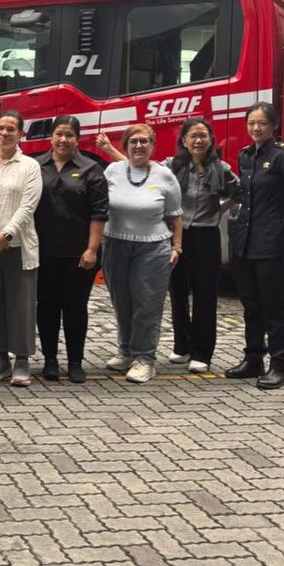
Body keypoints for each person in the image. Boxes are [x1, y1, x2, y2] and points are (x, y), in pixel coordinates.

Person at [224, 102, 284, 390]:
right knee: (250, 303)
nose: (256, 129)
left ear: (273, 126)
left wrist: (278, 225)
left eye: (261, 123)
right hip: (244, 240)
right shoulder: (244, 155)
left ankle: (279, 365)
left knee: (273, 305)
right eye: (251, 124)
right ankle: (253, 359)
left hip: (271, 242)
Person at [99, 123, 182, 384]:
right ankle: (126, 351)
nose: (139, 146)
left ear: (153, 146)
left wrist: (177, 247)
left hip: (153, 247)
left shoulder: (164, 175)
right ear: (125, 146)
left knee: (147, 303)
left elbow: (176, 216)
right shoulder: (112, 170)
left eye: (144, 141)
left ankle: (145, 358)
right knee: (121, 300)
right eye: (133, 141)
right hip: (115, 244)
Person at [33, 116, 107, 384]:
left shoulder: (91, 169)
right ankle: (50, 360)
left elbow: (99, 213)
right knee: (47, 307)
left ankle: (75, 361)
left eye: (69, 135)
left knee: (76, 307)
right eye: (59, 134)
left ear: (77, 138)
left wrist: (92, 249)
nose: (64, 140)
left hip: (79, 254)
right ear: (51, 137)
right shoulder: (36, 167)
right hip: (43, 252)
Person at [163, 118, 238, 373]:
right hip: (178, 236)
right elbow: (145, 170)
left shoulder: (222, 169)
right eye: (193, 136)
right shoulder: (172, 167)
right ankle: (182, 346)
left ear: (210, 140)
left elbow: (238, 192)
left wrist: (220, 209)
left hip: (207, 236)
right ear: (184, 140)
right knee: (178, 291)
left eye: (203, 136)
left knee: (206, 295)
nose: (198, 140)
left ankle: (202, 352)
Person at [0, 111, 42, 387]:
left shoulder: (29, 166)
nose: (3, 133)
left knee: (21, 304)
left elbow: (28, 205)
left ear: (20, 133)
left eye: (11, 129)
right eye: (1, 128)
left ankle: (22, 360)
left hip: (19, 245)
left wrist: (7, 233)